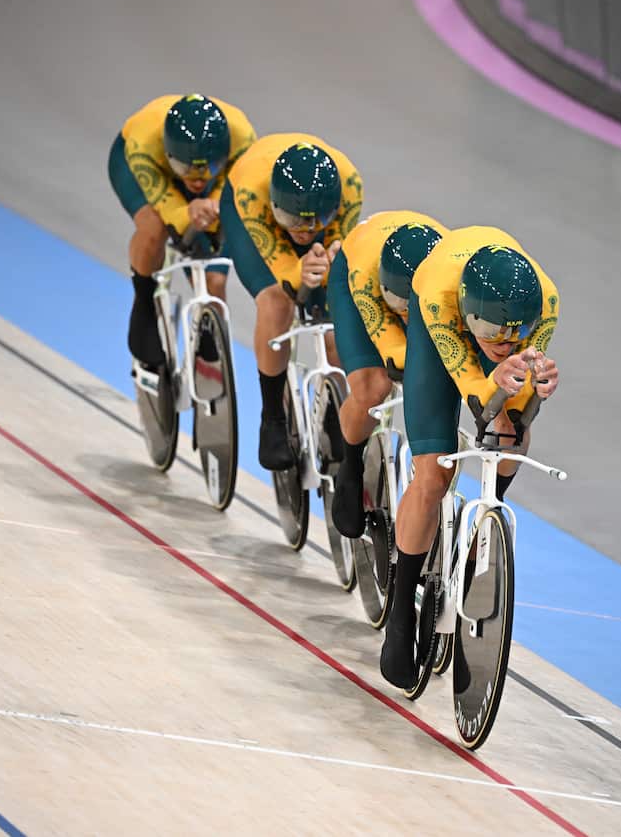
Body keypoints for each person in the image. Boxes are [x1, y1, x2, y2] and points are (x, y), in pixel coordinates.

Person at [379, 226, 561, 690]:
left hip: (482, 321)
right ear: (471, 314)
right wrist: (494, 382)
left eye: (513, 334)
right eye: (493, 334)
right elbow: (473, 387)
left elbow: (511, 400)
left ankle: (484, 519)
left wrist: (534, 393)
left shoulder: (546, 304)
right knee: (434, 473)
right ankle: (400, 612)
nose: (504, 342)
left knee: (513, 429)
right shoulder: (442, 300)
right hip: (441, 333)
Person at [218, 134, 363, 470]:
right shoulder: (253, 192)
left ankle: (335, 406)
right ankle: (272, 417)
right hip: (250, 217)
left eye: (314, 222)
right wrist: (300, 273)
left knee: (335, 313)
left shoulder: (350, 186)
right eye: (293, 222)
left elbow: (336, 251)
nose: (303, 230)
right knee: (276, 301)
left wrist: (328, 262)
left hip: (311, 216)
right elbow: (286, 272)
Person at [107, 94, 256, 369]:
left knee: (215, 278)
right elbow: (172, 212)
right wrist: (187, 211)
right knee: (155, 225)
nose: (197, 179)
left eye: (208, 168)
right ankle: (143, 300)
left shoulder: (243, 138)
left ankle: (210, 340)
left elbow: (238, 190)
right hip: (142, 166)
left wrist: (214, 207)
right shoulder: (144, 141)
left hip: (215, 181)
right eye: (185, 169)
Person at [325, 212, 449, 537]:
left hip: (430, 297)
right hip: (357, 273)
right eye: (402, 307)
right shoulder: (366, 275)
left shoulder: (448, 283)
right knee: (373, 386)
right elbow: (392, 349)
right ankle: (349, 466)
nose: (407, 316)